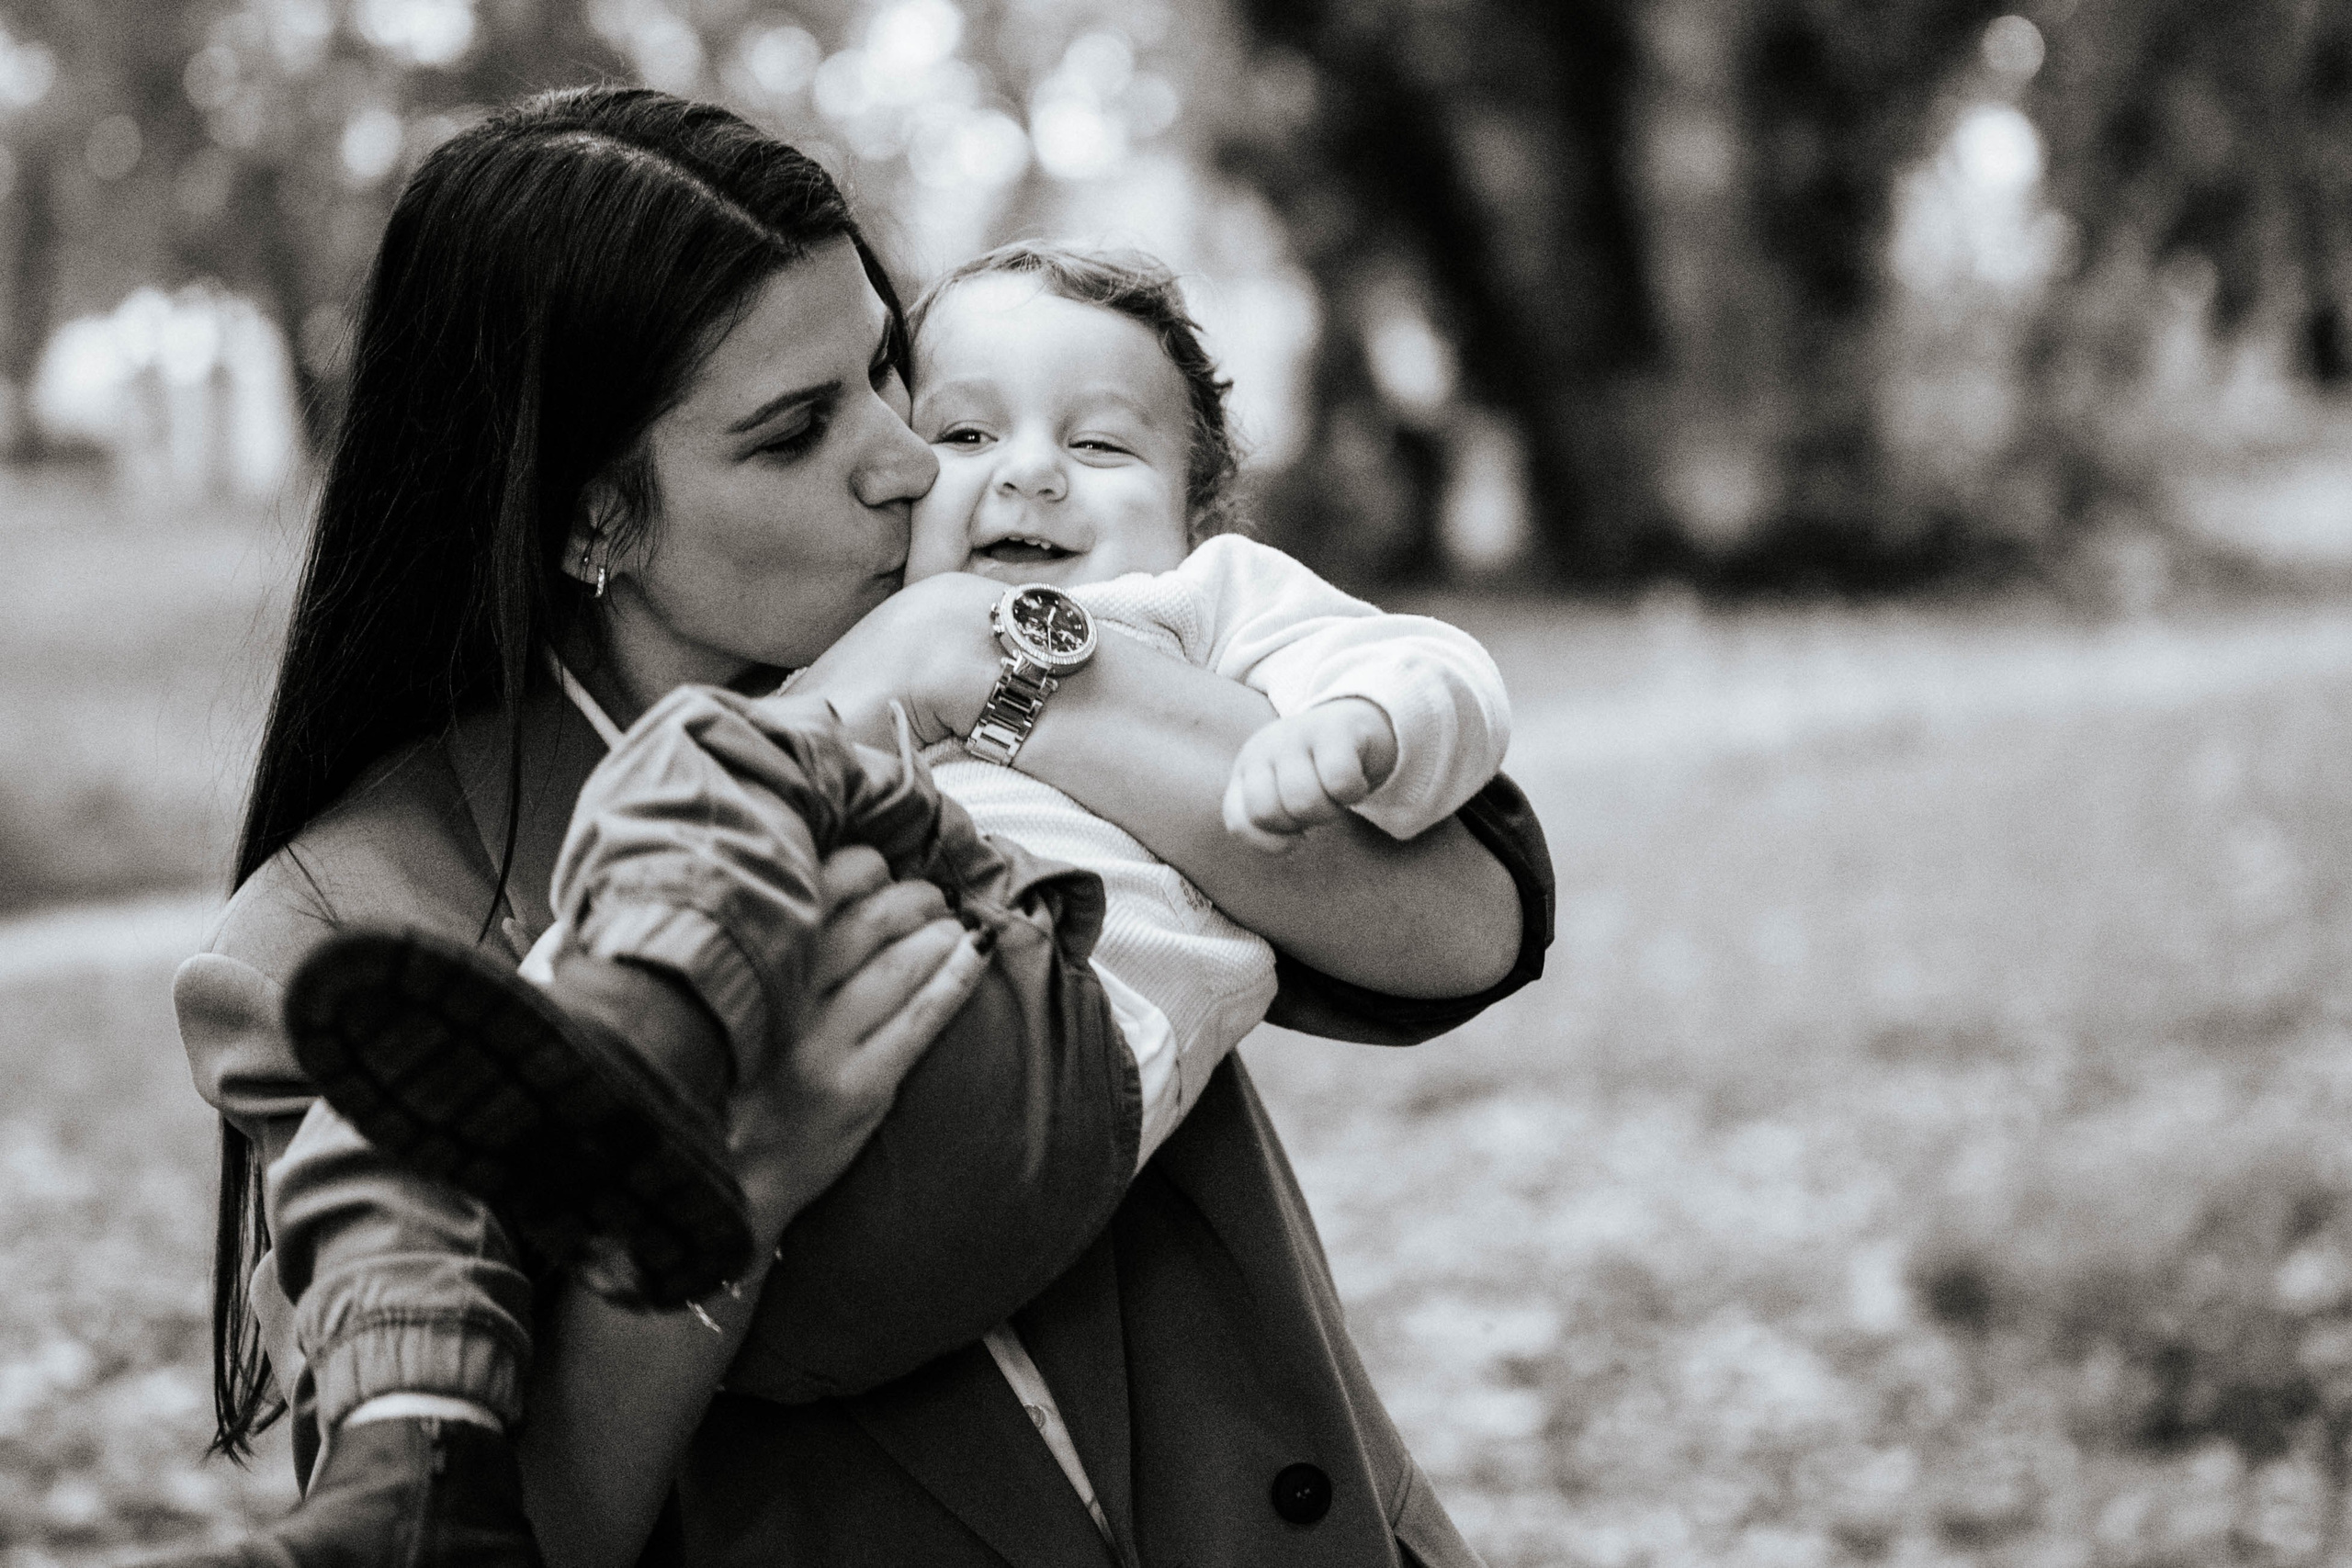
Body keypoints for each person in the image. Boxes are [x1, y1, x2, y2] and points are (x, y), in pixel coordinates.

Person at [167, 86, 1550, 1568]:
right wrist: (738, 1193)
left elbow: (1468, 924)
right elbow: (508, 1532)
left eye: (886, 372)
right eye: (794, 431)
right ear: (589, 521)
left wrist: (992, 667)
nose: (905, 461)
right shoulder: (334, 936)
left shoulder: (1011, 623)